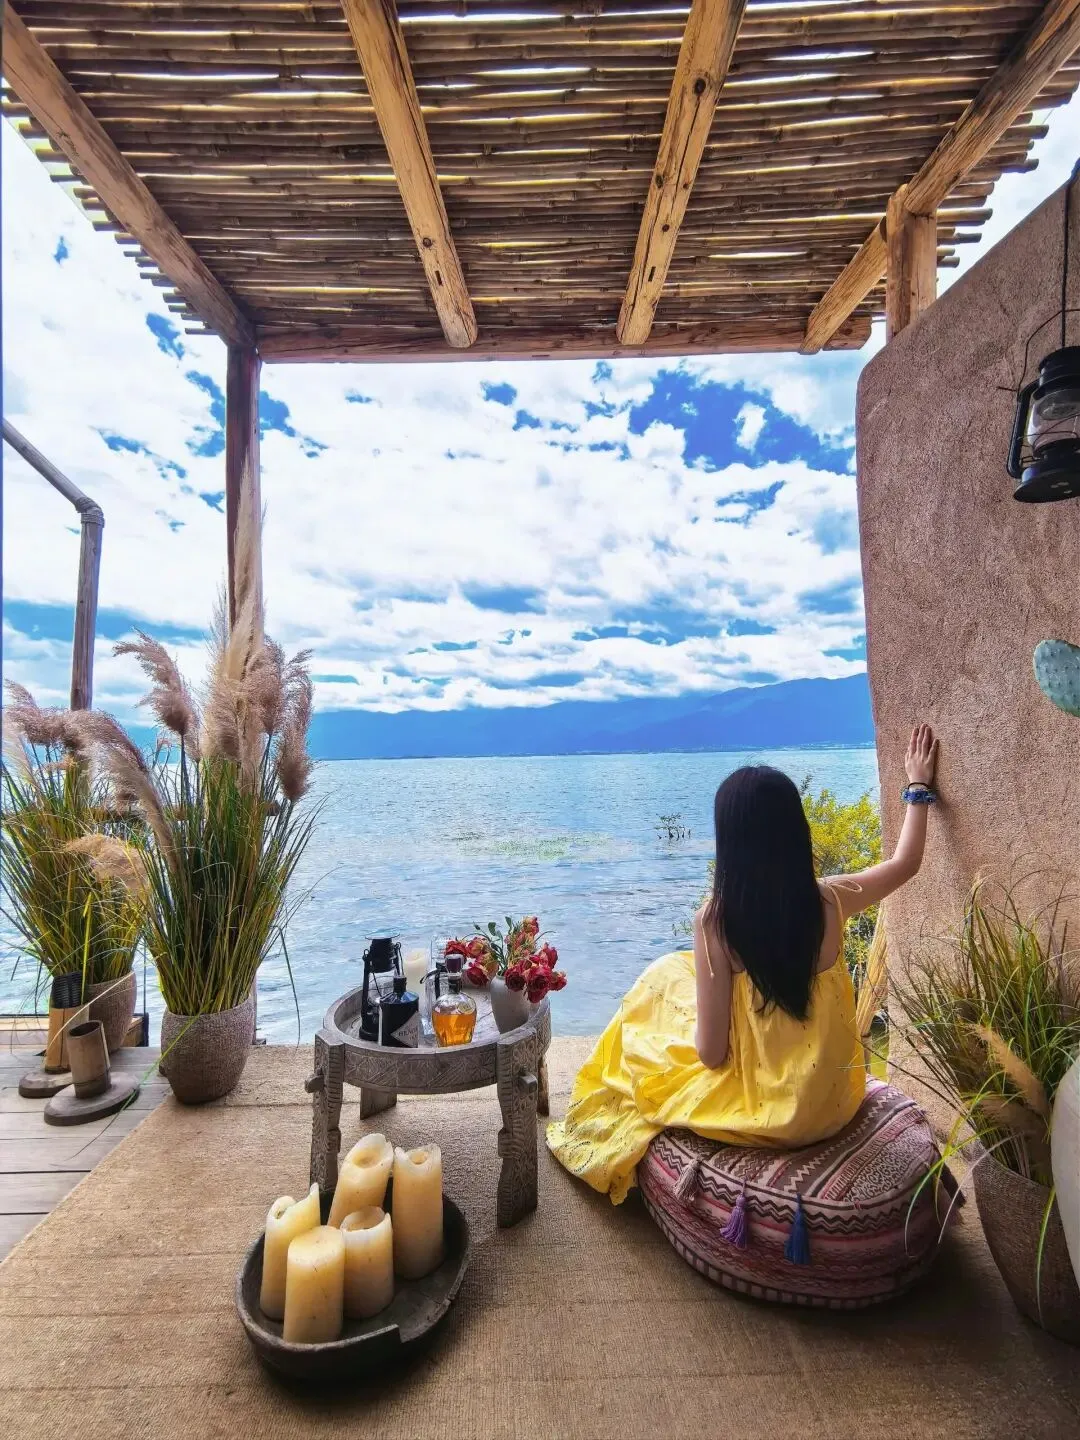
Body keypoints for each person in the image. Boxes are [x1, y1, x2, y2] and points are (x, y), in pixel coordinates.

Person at [547, 725, 940, 1204]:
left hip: (768, 1115)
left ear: (730, 844)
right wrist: (917, 785)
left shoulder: (715, 924)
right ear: (796, 833)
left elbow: (712, 1055)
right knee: (677, 972)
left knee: (651, 1003)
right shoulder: (831, 900)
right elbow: (905, 864)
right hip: (836, 1103)